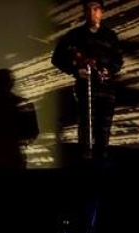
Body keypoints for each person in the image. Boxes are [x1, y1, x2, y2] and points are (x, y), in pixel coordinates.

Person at [51, 0, 122, 164]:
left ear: (102, 12)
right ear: (84, 12)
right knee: (86, 133)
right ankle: (86, 166)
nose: (92, 12)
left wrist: (109, 70)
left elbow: (118, 60)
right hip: (85, 91)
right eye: (88, 9)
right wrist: (76, 70)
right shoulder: (74, 35)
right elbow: (57, 58)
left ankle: (101, 163)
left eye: (96, 9)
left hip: (107, 92)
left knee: (103, 133)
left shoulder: (110, 36)